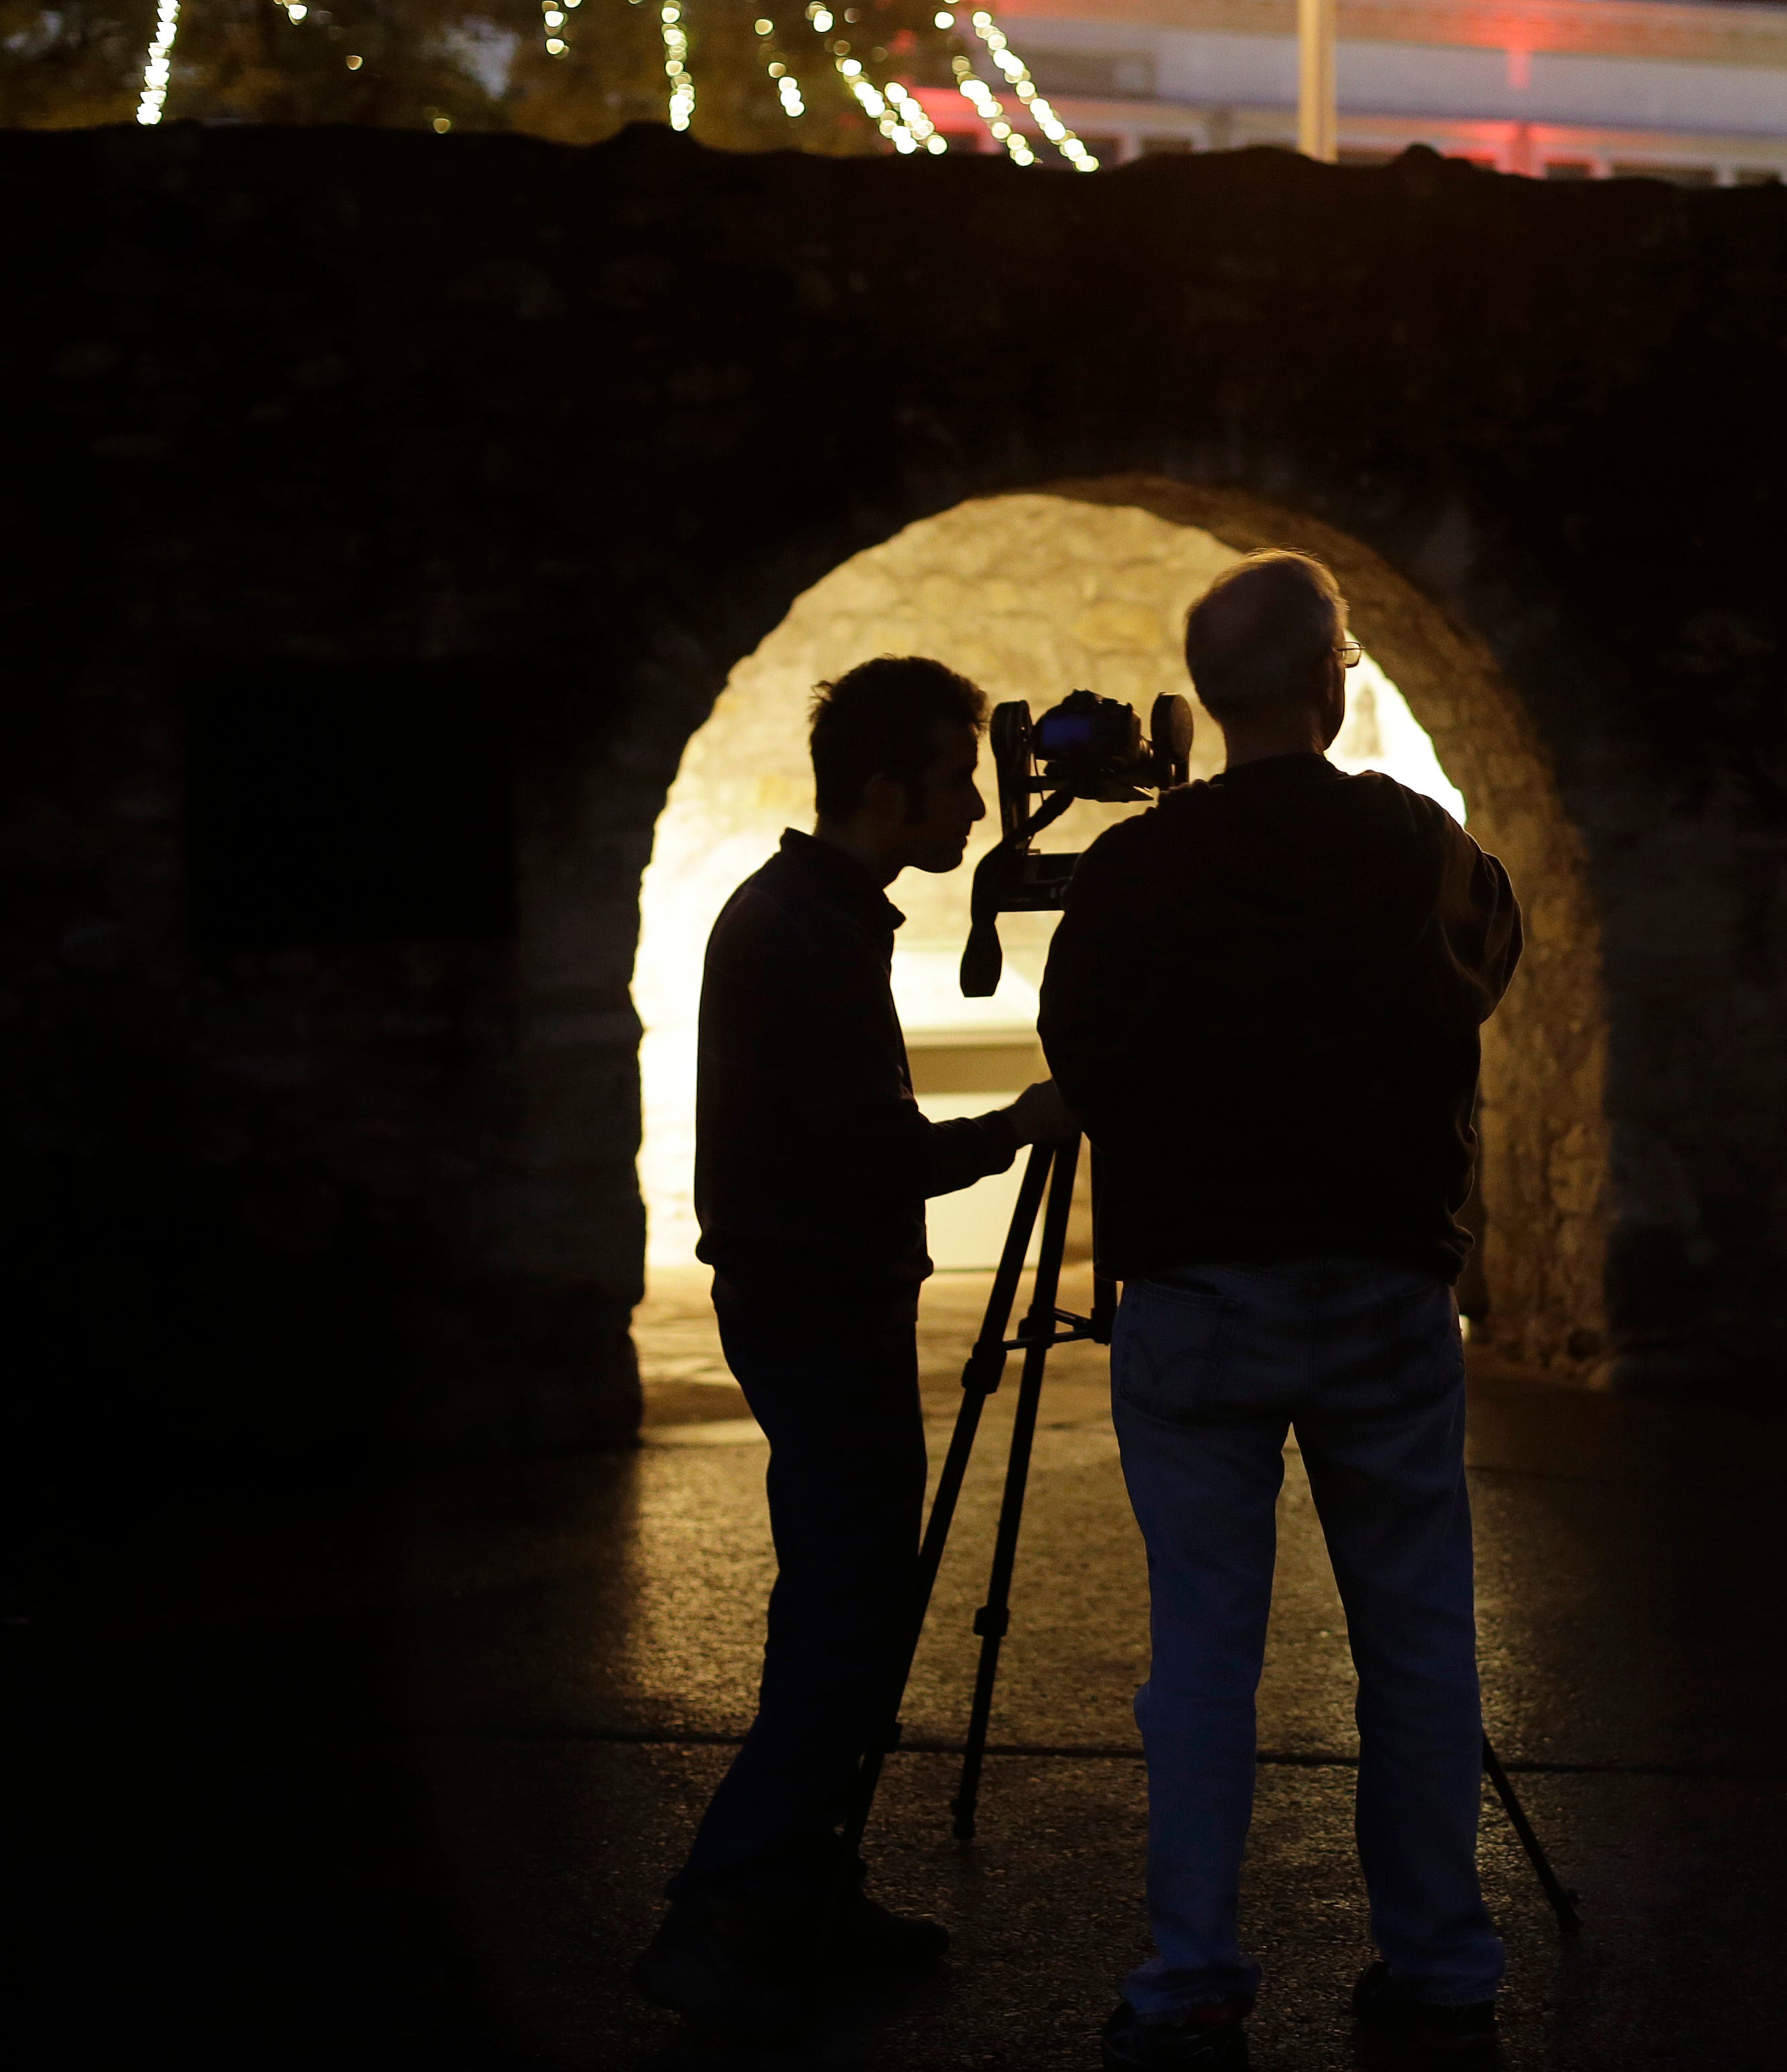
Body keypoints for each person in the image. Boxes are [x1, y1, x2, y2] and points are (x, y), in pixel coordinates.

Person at [1042, 553, 1526, 2069]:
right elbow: (1483, 972)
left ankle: (1189, 1972)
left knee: (1200, 1647)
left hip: (1196, 1288)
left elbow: (1082, 1052)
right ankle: (1441, 1959)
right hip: (1384, 1280)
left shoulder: (1136, 869)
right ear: (1334, 683)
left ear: (1205, 703)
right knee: (1418, 1635)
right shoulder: (1429, 848)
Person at [632, 656, 1080, 2041]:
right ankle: (720, 1911)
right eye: (952, 781)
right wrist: (1023, 1125)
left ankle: (810, 1890)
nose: (969, 808)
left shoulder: (807, 912)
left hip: (811, 1300)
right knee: (848, 1618)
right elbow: (865, 1149)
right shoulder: (805, 932)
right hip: (819, 1306)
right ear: (884, 789)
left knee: (840, 1604)